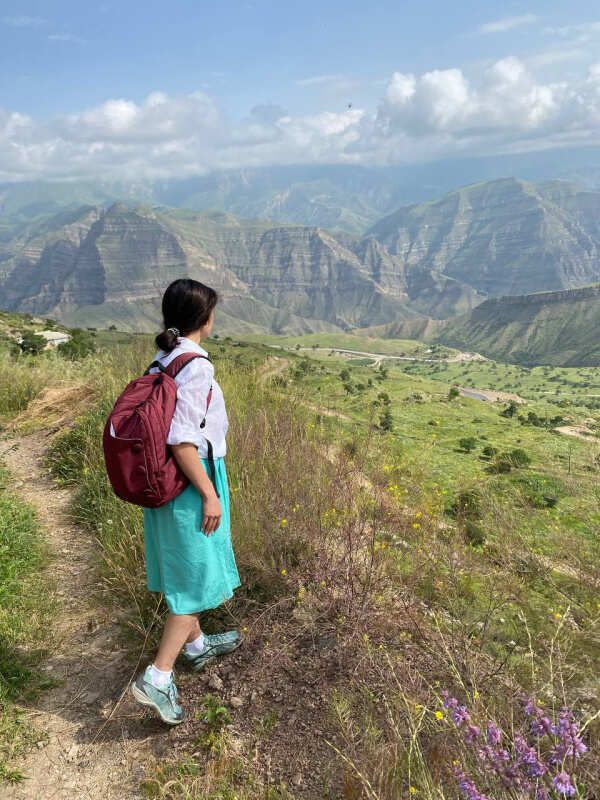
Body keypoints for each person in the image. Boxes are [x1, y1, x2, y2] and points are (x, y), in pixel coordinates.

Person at [131, 278, 242, 725]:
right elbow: (183, 442)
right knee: (194, 580)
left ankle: (196, 646)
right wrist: (210, 494)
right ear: (205, 318)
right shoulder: (196, 366)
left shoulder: (163, 360)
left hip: (163, 486)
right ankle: (157, 677)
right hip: (189, 484)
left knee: (184, 568)